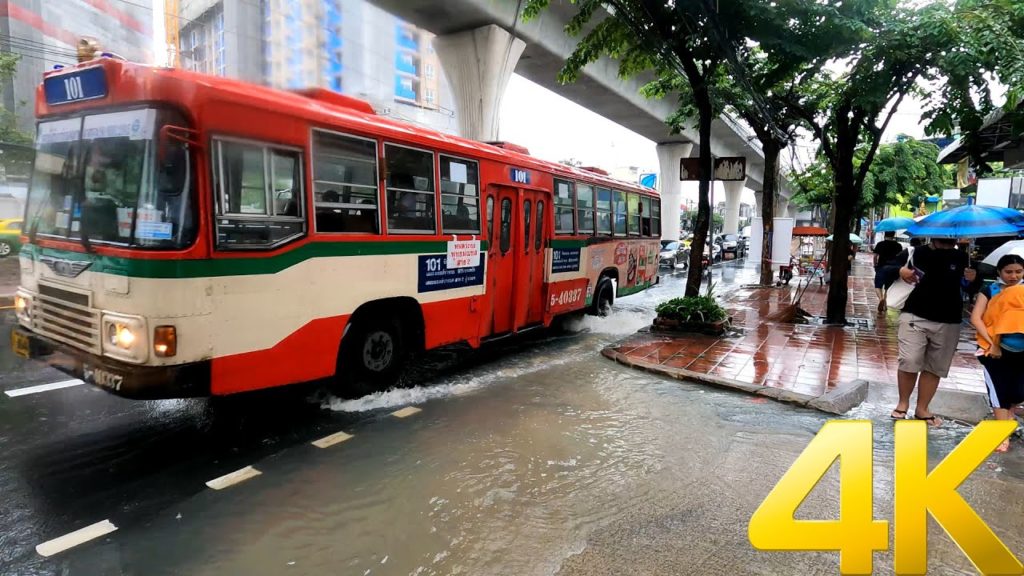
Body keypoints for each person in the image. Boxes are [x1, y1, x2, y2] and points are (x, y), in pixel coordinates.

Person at [890, 236, 980, 425]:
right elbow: (883, 269)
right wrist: (900, 270)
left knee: (935, 366)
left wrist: (973, 279)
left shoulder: (963, 258)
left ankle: (922, 408)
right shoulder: (914, 253)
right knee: (909, 359)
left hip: (949, 320)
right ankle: (902, 403)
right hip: (914, 314)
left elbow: (973, 288)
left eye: (951, 238)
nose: (948, 240)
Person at [970, 254, 1024, 452]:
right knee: (998, 388)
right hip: (993, 349)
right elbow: (977, 318)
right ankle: (1001, 434)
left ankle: (1007, 419)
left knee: (1018, 391)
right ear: (999, 272)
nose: (1013, 276)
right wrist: (993, 343)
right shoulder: (989, 290)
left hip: (1021, 349)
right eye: (1008, 272)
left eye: (1018, 271)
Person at [873, 231, 905, 312]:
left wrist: (875, 265)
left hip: (881, 267)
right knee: (888, 287)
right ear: (893, 235)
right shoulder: (898, 245)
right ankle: (885, 302)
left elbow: (875, 256)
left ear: (884, 235)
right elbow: (900, 258)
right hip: (893, 268)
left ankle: (880, 299)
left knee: (878, 286)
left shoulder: (880, 244)